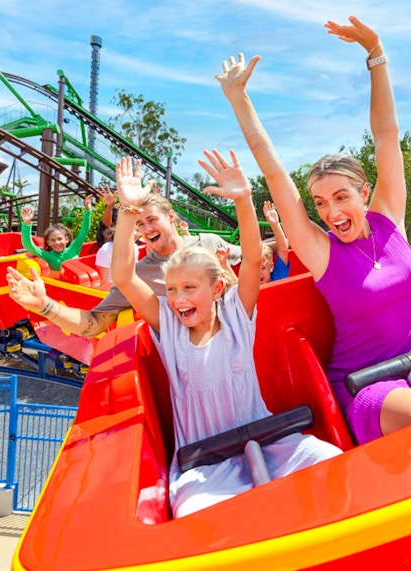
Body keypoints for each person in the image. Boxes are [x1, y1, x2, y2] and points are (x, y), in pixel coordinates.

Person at [215, 15, 411, 445]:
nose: (331, 212)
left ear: (364, 191)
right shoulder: (323, 251)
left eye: (340, 197)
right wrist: (238, 98)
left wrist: (376, 53)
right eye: (319, 203)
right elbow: (274, 172)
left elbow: (386, 135)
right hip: (367, 388)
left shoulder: (389, 220)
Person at [111, 152, 341, 518]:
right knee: (197, 516)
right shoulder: (168, 326)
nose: (178, 299)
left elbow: (251, 259)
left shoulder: (237, 313)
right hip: (203, 462)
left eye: (189, 288)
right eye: (170, 290)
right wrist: (127, 208)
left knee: (332, 462)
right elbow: (123, 275)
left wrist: (244, 200)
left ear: (217, 289)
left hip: (269, 443)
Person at [7, 192, 242, 338]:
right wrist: (44, 305)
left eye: (152, 220)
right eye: (140, 224)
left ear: (171, 217)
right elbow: (94, 322)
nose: (146, 229)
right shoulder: (138, 275)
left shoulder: (208, 243)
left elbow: (260, 257)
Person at [20, 196, 93, 271]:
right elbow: (28, 245)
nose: (57, 242)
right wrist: (26, 223)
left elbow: (84, 230)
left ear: (66, 239)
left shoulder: (74, 248)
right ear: (48, 242)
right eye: (53, 240)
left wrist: (87, 210)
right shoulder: (48, 256)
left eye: (60, 239)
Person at [262, 201, 290, 281]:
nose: (259, 273)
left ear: (271, 267)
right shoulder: (247, 287)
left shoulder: (278, 277)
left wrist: (275, 224)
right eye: (255, 270)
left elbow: (283, 250)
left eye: (263, 268)